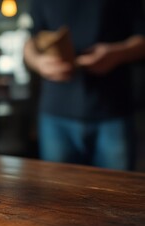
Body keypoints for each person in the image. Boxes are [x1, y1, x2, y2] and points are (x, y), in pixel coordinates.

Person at [23, 0, 145, 170]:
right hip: (56, 116)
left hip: (113, 111)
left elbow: (141, 39)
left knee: (118, 193)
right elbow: (31, 41)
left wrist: (117, 53)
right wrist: (38, 62)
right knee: (59, 193)